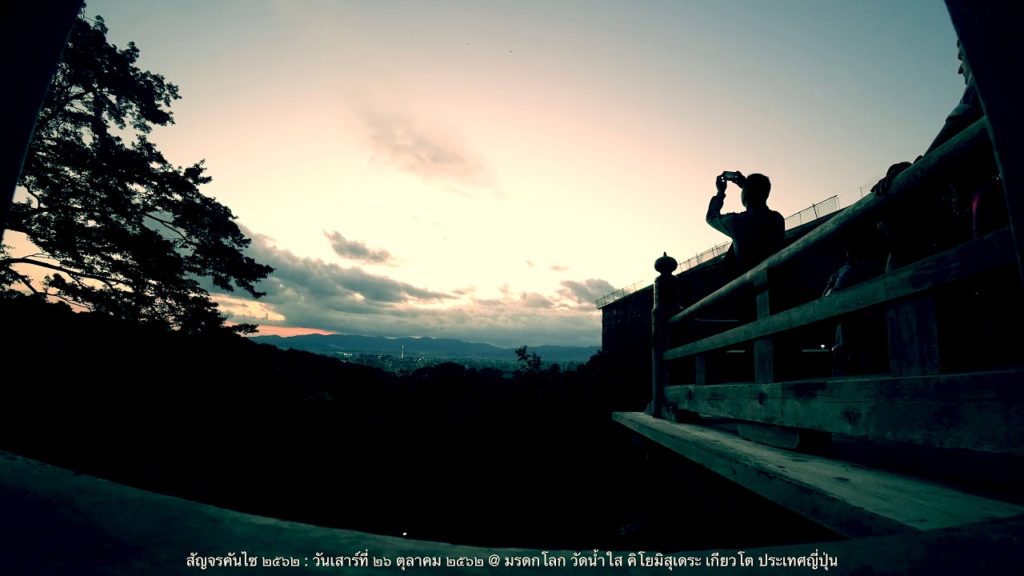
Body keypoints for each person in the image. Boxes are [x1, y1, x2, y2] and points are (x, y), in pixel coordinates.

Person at [706, 171, 785, 276]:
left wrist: (720, 192)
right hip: (775, 280)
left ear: (746, 194)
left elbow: (711, 217)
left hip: (749, 286)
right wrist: (746, 186)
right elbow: (757, 197)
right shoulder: (777, 218)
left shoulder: (736, 221)